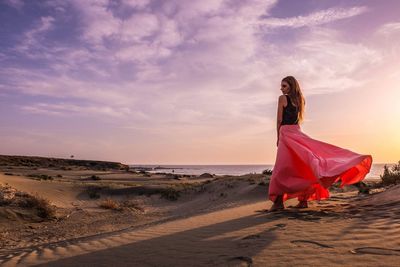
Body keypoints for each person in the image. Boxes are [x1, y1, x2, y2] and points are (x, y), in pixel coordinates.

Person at [268, 76, 372, 211]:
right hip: (297, 132)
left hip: (286, 133)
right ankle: (302, 201)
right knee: (303, 166)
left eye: (284, 86)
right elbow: (297, 121)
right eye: (281, 86)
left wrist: (278, 137)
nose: (281, 89)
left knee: (282, 169)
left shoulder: (282, 99)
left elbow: (279, 120)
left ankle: (278, 203)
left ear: (292, 86)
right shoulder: (300, 100)